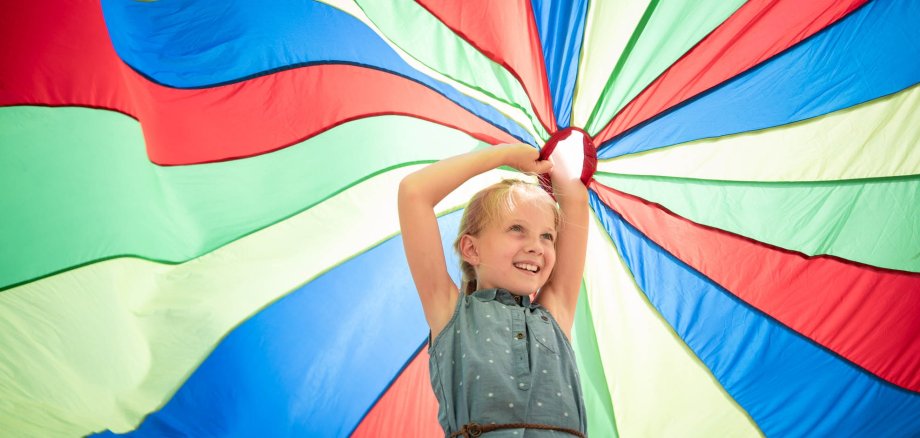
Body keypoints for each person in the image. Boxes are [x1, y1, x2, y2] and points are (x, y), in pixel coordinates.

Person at [398, 142, 590, 437]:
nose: (535, 247)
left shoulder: (555, 313)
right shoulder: (452, 313)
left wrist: (556, 155)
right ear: (471, 249)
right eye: (517, 229)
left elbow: (575, 199)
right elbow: (414, 193)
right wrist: (504, 155)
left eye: (547, 236)